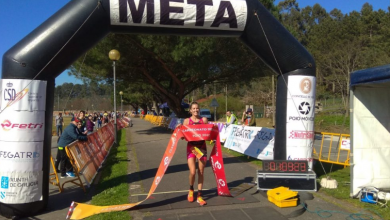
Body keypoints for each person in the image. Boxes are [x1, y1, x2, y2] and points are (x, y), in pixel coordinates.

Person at [182, 102, 208, 206]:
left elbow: (208, 133)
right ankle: (191, 189)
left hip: (202, 148)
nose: (196, 110)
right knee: (192, 172)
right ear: (190, 110)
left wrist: (213, 129)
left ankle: (200, 195)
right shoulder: (187, 121)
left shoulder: (204, 120)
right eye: (194, 108)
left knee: (201, 171)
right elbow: (183, 137)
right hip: (192, 148)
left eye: (197, 108)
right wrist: (181, 130)